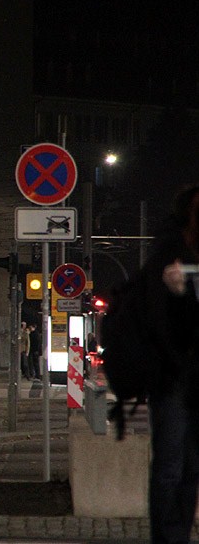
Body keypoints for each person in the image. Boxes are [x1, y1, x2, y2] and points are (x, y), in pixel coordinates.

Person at [142, 184, 199, 544]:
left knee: (191, 466)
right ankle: (168, 538)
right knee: (170, 466)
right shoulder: (167, 253)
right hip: (172, 377)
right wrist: (175, 293)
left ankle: (178, 533)